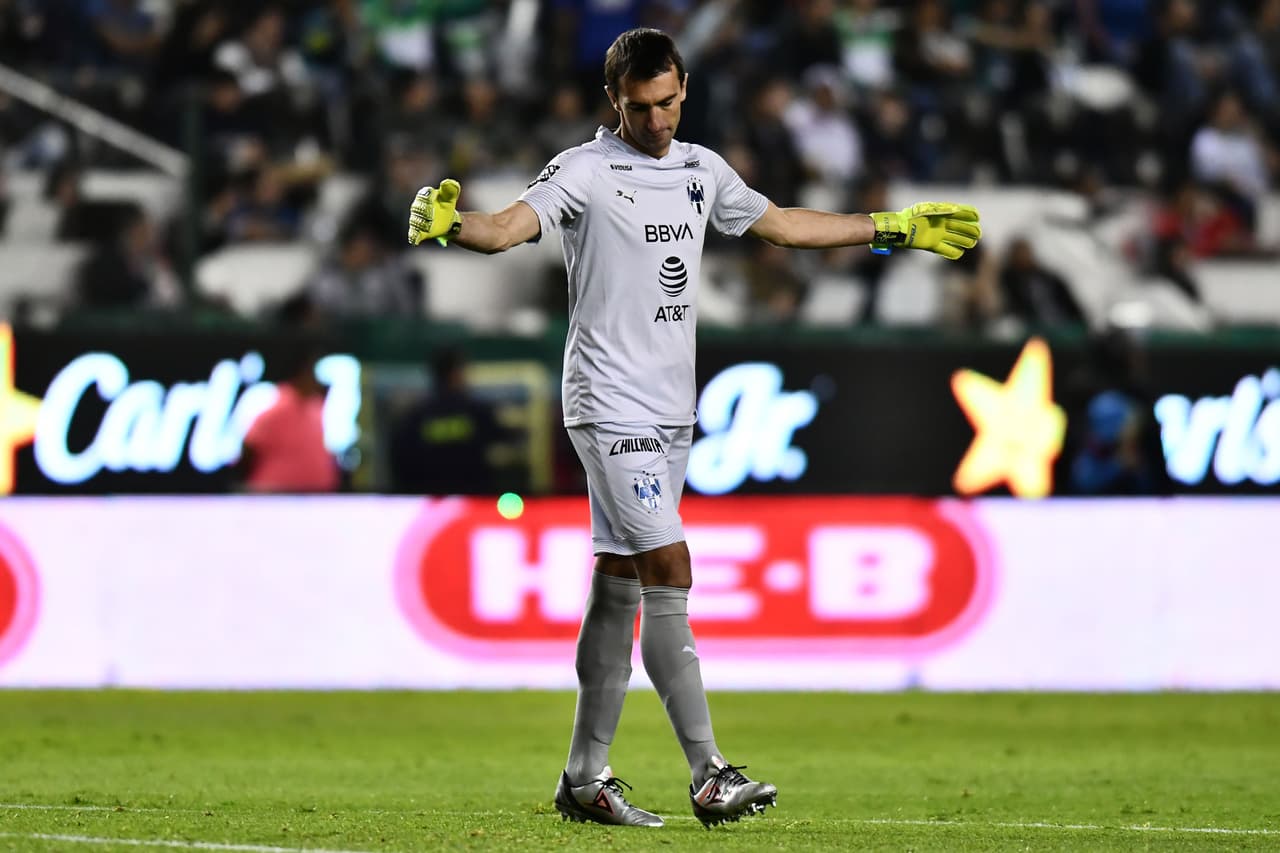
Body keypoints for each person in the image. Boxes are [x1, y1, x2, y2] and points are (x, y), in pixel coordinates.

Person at [406, 27, 981, 829]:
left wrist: (890, 227)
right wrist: (449, 224)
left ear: (684, 88)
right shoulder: (584, 170)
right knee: (668, 568)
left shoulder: (700, 169)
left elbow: (780, 224)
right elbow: (505, 228)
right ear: (615, 100)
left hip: (671, 408)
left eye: (670, 102)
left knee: (618, 582)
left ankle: (583, 777)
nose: (658, 119)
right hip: (608, 403)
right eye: (641, 107)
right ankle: (709, 771)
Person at [388, 348, 511, 495]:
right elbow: (504, 439)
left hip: (428, 499)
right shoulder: (477, 411)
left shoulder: (415, 417)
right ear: (456, 373)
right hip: (473, 498)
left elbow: (399, 460)